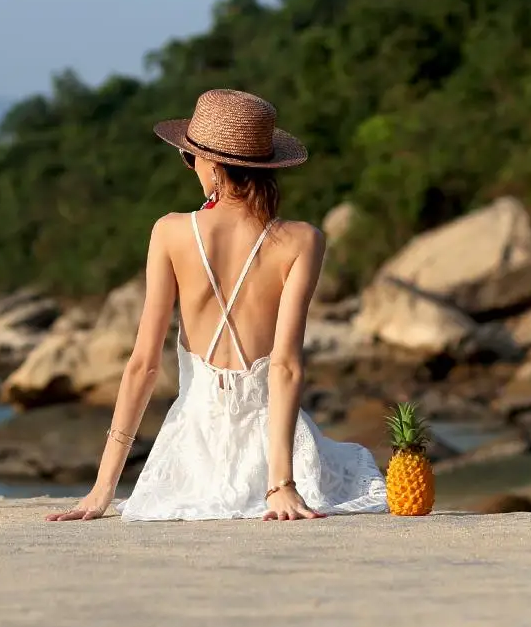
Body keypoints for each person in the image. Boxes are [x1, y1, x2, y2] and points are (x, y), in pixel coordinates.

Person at [47, 89, 387, 523]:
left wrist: (101, 490)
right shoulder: (303, 240)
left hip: (192, 459)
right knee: (358, 470)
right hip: (276, 455)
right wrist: (280, 485)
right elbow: (285, 366)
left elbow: (143, 366)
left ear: (211, 166)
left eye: (190, 159)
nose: (192, 169)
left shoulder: (170, 232)